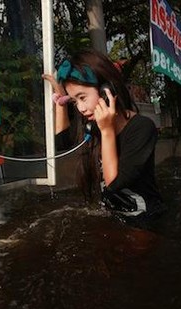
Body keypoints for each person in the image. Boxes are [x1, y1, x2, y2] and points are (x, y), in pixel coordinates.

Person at [42, 49, 165, 225]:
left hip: (144, 217)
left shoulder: (142, 128)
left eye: (82, 97)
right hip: (112, 215)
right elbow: (62, 144)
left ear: (106, 91)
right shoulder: (92, 126)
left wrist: (107, 131)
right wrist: (61, 102)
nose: (80, 108)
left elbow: (114, 183)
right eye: (75, 101)